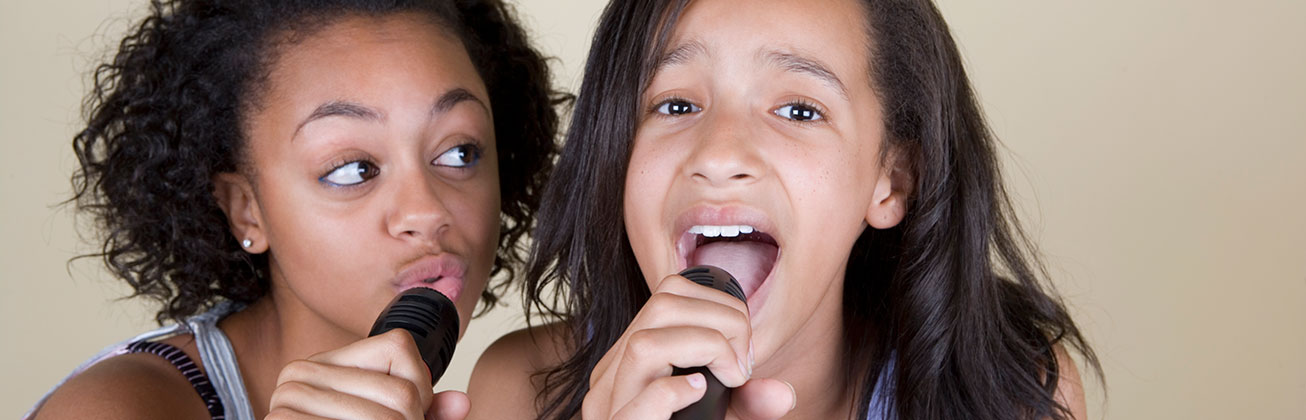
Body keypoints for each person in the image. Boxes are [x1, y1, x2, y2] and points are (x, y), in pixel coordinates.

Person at [469, 0, 1101, 419]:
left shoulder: (1011, 391)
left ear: (892, 180)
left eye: (799, 110)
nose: (720, 154)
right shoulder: (522, 390)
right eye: (675, 105)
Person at [26, 0, 562, 419]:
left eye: (458, 152)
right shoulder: (121, 407)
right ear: (246, 210)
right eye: (353, 169)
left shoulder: (519, 391)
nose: (426, 211)